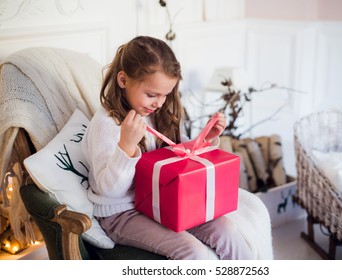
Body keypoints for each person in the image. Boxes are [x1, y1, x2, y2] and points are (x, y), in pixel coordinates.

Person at [82, 36, 270, 260]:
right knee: (194, 253)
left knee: (228, 232)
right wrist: (126, 147)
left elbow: (177, 157)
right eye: (152, 95)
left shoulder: (160, 114)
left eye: (166, 95)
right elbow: (109, 191)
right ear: (123, 80)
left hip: (163, 198)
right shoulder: (107, 124)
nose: (159, 103)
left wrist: (205, 139)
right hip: (122, 212)